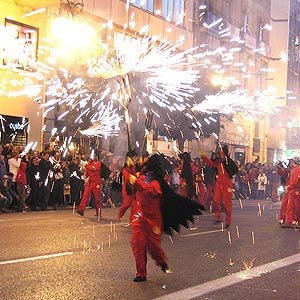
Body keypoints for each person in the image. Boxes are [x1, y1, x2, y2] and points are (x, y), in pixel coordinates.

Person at [200, 145, 238, 228]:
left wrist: (231, 175)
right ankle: (218, 217)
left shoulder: (229, 162)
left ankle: (228, 221)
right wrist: (203, 156)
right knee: (216, 201)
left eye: (221, 152)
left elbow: (235, 169)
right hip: (219, 183)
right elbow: (210, 163)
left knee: (227, 204)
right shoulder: (218, 162)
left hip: (227, 184)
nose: (219, 154)